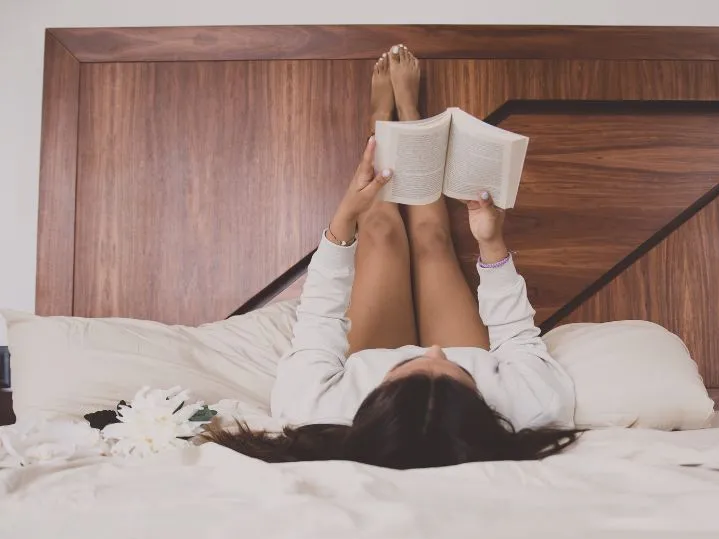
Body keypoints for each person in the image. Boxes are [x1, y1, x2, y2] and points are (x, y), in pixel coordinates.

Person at [208, 44, 579, 468]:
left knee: (381, 233)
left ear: (373, 405)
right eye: (461, 376)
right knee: (432, 241)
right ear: (484, 410)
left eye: (412, 365)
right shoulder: (533, 407)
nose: (435, 350)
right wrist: (491, 242)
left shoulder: (314, 409)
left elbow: (320, 319)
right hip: (459, 373)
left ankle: (381, 125)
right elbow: (515, 337)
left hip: (368, 357)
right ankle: (412, 120)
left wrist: (345, 217)